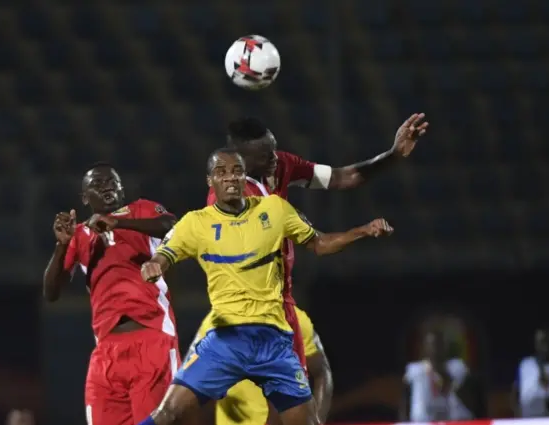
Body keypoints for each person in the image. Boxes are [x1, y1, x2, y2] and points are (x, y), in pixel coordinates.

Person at [137, 148, 393, 425]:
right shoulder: (196, 223)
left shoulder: (274, 209)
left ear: (244, 175)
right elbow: (165, 253)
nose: (230, 178)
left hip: (273, 341)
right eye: (221, 172)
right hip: (226, 340)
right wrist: (155, 265)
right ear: (210, 180)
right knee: (168, 414)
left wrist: (362, 231)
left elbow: (318, 242)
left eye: (236, 171)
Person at [206, 114, 428, 396]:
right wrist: (283, 222)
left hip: (279, 303)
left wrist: (393, 155)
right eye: (264, 155)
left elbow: (342, 177)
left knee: (293, 398)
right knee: (256, 401)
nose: (274, 158)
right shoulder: (227, 197)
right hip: (242, 311)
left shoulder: (282, 165)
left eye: (273, 148)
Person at [43, 163, 180, 425]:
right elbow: (51, 292)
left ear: (121, 188)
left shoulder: (142, 210)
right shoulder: (80, 235)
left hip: (151, 338)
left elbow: (171, 225)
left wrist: (117, 222)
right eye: (97, 184)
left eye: (111, 181)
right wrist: (62, 246)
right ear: (84, 198)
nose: (106, 186)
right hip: (106, 350)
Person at [191, 306, 332, 425]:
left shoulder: (294, 319)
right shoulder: (214, 324)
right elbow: (192, 383)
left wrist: (316, 419)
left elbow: (321, 372)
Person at [400, 330, 479, 422]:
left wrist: (450, 383)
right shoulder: (415, 373)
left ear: (445, 347)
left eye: (439, 345)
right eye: (432, 345)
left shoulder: (458, 371)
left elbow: (473, 405)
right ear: (425, 347)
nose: (435, 349)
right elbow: (404, 406)